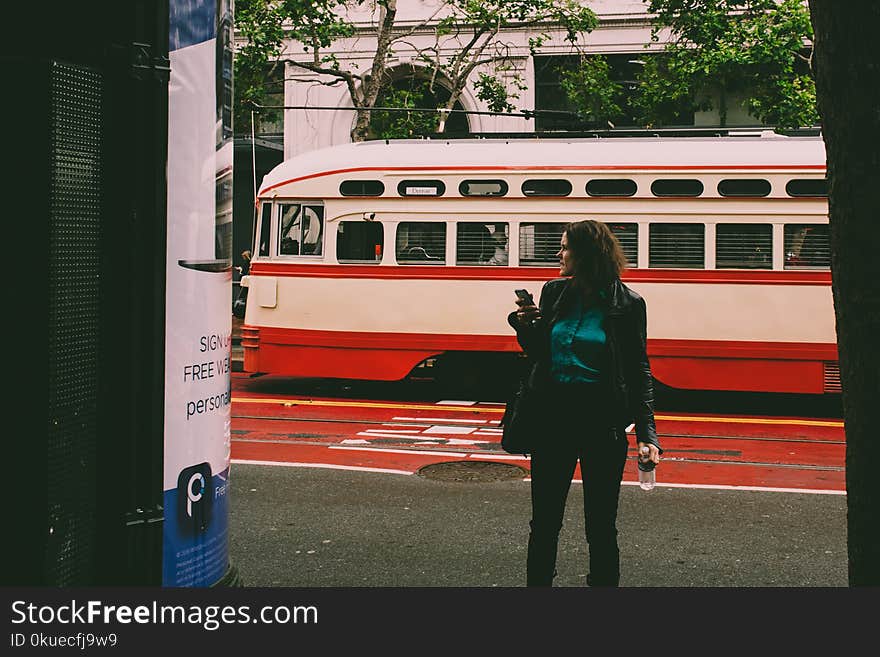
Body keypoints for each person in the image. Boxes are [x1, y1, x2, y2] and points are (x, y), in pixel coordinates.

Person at [508, 219, 661, 587]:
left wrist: (647, 434)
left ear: (587, 253)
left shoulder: (628, 303)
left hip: (601, 424)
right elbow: (541, 354)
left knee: (601, 524)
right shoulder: (554, 292)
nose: (559, 254)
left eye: (565, 247)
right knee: (544, 521)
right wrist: (524, 324)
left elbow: (638, 368)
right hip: (552, 420)